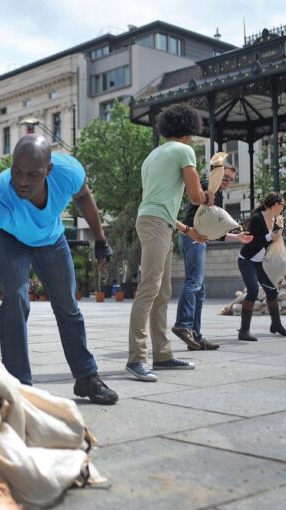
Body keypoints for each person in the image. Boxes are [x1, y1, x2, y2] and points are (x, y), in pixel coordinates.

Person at [0, 134, 118, 405]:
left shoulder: (68, 172)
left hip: (51, 240)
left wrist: (101, 240)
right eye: (17, 172)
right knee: (15, 299)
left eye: (33, 175)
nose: (22, 182)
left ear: (49, 169)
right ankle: (19, 384)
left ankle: (86, 376)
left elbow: (84, 196)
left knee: (68, 306)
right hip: (9, 240)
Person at [126, 103, 213, 383]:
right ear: (190, 128)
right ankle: (136, 359)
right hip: (155, 224)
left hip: (155, 221)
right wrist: (210, 195)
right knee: (149, 289)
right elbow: (195, 196)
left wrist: (186, 229)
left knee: (162, 291)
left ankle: (162, 355)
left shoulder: (153, 156)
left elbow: (157, 203)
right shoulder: (184, 150)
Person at [172, 163, 253, 351]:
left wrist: (237, 237)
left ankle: (196, 338)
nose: (228, 182)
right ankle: (183, 325)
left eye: (231, 180)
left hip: (194, 238)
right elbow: (197, 202)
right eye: (225, 178)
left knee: (200, 291)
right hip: (193, 238)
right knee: (193, 283)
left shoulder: (214, 192)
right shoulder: (209, 187)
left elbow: (215, 230)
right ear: (217, 175)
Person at [237, 192, 286, 341]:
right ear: (275, 204)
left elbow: (270, 243)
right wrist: (269, 237)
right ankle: (243, 331)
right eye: (282, 205)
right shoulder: (257, 218)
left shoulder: (275, 219)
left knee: (272, 291)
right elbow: (251, 241)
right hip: (247, 260)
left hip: (260, 262)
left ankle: (276, 325)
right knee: (253, 291)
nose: (283, 208)